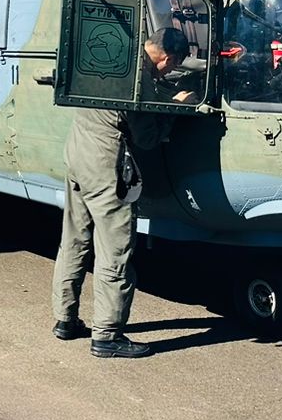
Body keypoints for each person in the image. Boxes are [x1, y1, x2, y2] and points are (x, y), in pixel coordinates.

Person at [52, 28, 193, 359]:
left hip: (77, 156)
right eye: (172, 67)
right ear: (168, 58)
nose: (169, 72)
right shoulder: (138, 78)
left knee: (73, 241)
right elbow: (146, 138)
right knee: (115, 251)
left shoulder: (111, 56)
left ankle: (65, 319)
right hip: (105, 167)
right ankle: (107, 335)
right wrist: (173, 107)